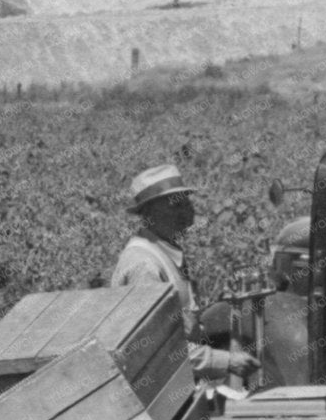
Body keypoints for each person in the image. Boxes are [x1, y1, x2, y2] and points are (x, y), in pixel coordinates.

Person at [110, 164, 257, 386]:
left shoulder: (166, 252)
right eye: (174, 205)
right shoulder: (144, 265)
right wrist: (224, 361)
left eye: (186, 202)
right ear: (149, 213)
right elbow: (155, 347)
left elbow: (184, 326)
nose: (186, 211)